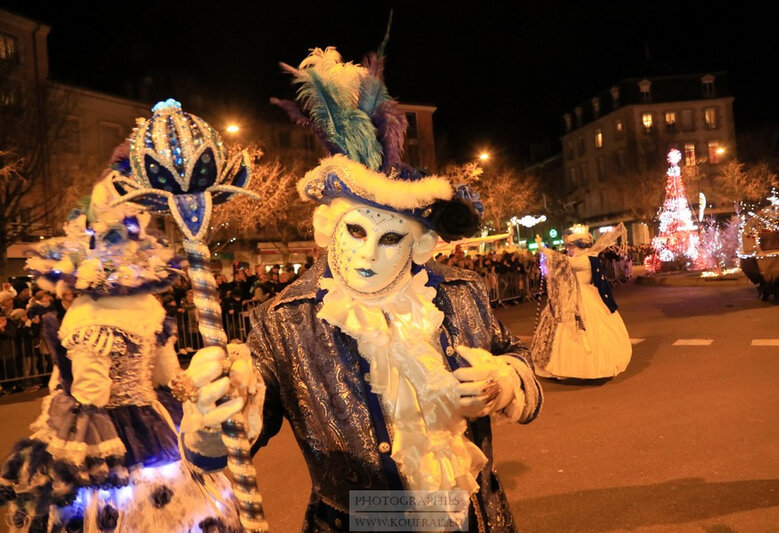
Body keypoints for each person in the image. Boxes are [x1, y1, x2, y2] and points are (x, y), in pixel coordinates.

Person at [179, 46, 542, 532]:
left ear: (418, 244)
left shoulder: (461, 292)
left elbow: (514, 352)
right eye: (355, 231)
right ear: (329, 226)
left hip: (474, 517)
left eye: (390, 237)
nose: (369, 253)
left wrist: (505, 382)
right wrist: (215, 414)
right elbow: (243, 433)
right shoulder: (286, 318)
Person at [0, 166, 243, 529]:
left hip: (112, 434)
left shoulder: (86, 317)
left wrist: (65, 401)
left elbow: (92, 391)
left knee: (105, 510)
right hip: (158, 424)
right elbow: (167, 375)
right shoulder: (151, 309)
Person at [531, 223, 632, 379]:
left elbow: (565, 262)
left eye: (569, 246)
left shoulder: (584, 260)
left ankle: (582, 367)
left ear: (576, 245)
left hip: (584, 296)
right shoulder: (586, 257)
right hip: (576, 294)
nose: (568, 249)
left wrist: (545, 250)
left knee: (581, 329)